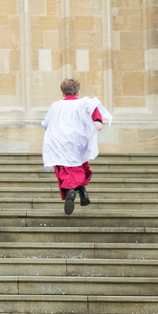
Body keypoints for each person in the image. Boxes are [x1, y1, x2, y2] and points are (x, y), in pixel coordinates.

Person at [42, 78, 112, 215]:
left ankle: (70, 191)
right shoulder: (83, 102)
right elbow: (94, 107)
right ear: (78, 93)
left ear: (62, 93)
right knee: (79, 165)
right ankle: (83, 192)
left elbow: (46, 123)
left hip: (60, 141)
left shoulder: (55, 105)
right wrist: (98, 120)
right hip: (77, 140)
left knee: (64, 167)